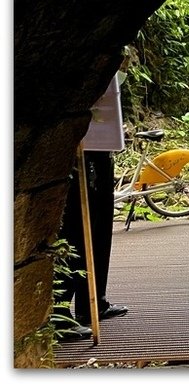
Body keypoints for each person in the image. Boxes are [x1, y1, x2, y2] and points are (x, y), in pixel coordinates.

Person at [53, 71, 129, 341]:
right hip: (81, 148)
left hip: (101, 145)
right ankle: (59, 311)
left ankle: (93, 300)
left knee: (97, 230)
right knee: (75, 230)